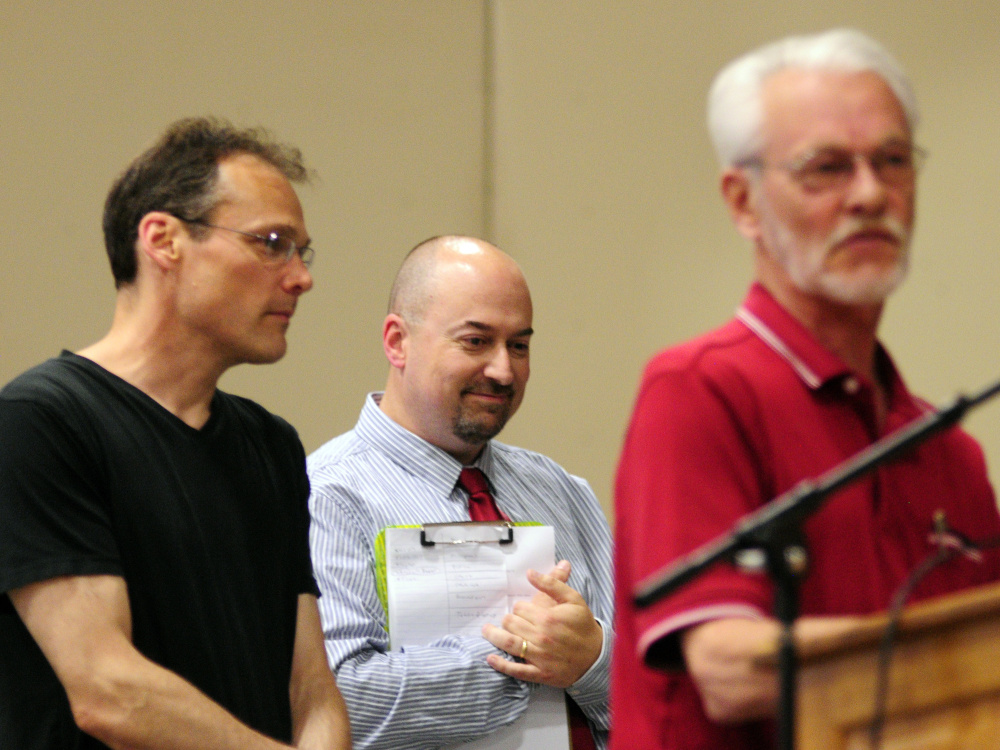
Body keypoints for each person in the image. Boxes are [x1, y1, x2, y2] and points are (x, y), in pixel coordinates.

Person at [610, 28, 1000, 750]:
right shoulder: (698, 390)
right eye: (826, 168)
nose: (870, 194)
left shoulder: (954, 456)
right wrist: (947, 658)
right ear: (744, 201)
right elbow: (730, 669)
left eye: (891, 161)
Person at [0, 117, 350, 750]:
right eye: (272, 243)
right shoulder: (41, 422)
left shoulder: (269, 444)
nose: (301, 277)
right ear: (163, 240)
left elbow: (311, 691)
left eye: (302, 251)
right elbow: (109, 692)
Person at [307, 235, 613, 749]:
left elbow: (656, 682)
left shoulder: (564, 491)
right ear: (397, 341)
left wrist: (594, 660)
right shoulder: (327, 494)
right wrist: (524, 656)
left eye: (519, 345)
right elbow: (338, 701)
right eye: (475, 341)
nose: (503, 370)